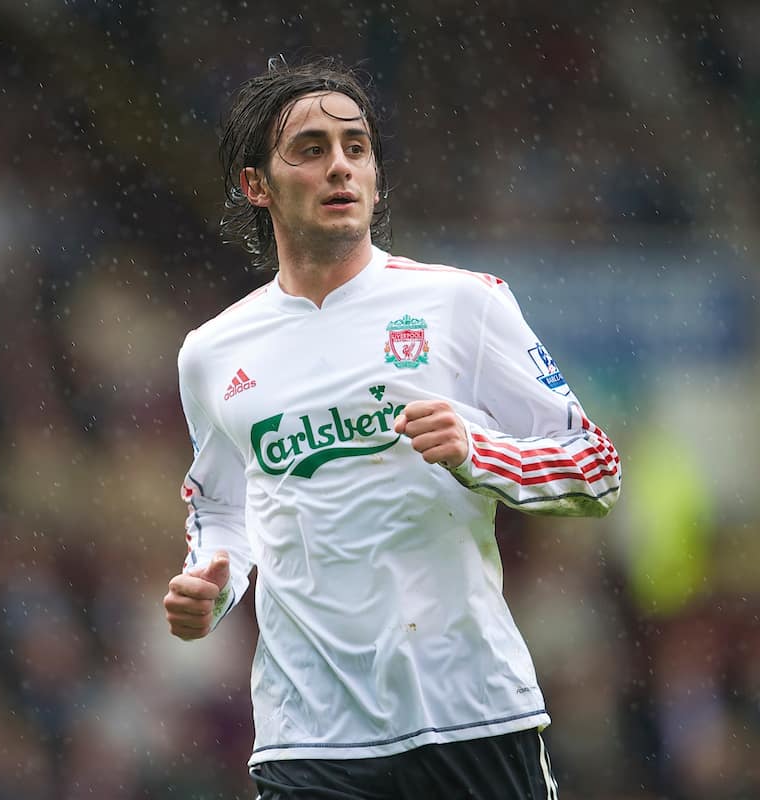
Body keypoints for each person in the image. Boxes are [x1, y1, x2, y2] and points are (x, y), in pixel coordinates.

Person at [162, 56, 621, 799]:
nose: (341, 166)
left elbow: (596, 469)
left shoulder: (463, 304)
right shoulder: (212, 353)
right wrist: (212, 583)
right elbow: (222, 506)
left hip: (470, 716)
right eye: (311, 150)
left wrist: (481, 451)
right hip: (307, 736)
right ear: (256, 186)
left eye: (356, 146)